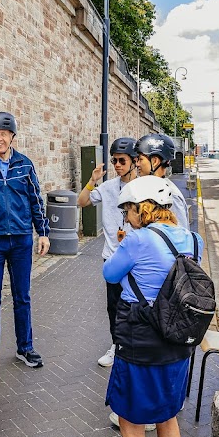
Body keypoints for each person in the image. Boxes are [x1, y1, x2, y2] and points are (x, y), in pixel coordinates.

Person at [102, 175, 205, 437]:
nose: (126, 216)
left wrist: (123, 248)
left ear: (142, 207)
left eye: (128, 209)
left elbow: (109, 273)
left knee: (131, 426)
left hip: (140, 343)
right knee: (167, 418)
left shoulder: (138, 239)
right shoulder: (194, 240)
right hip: (178, 343)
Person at [0, 111, 50, 368]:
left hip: (22, 238)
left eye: (3, 134)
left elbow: (36, 200)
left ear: (12, 136)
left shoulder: (25, 165)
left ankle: (25, 347)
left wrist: (43, 232)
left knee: (22, 295)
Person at [78, 137, 138, 370]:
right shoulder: (109, 187)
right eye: (114, 161)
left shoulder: (143, 188)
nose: (117, 165)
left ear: (134, 161)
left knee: (136, 306)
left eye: (122, 160)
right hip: (112, 257)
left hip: (136, 258)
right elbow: (81, 202)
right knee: (113, 306)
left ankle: (133, 348)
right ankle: (117, 346)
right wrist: (92, 181)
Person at [135, 134, 189, 229]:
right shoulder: (152, 189)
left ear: (155, 161)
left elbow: (182, 236)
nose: (137, 164)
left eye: (140, 159)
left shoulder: (170, 195)